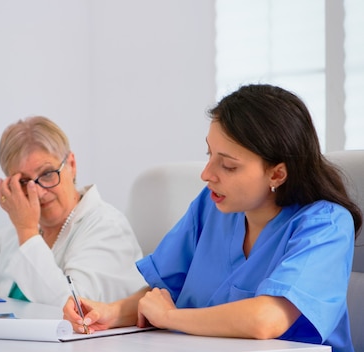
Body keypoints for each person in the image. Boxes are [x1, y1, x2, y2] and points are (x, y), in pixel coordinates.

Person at [63, 84, 363, 352]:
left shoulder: (326, 225)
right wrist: (110, 313)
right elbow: (163, 292)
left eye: (228, 166)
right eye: (209, 155)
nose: (207, 175)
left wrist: (170, 317)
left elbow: (265, 320)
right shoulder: (212, 207)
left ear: (277, 173)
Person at [0, 116, 145, 306]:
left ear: (72, 165)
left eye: (47, 174)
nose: (39, 192)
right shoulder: (23, 233)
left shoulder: (106, 227)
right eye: (24, 182)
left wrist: (26, 230)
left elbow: (72, 307)